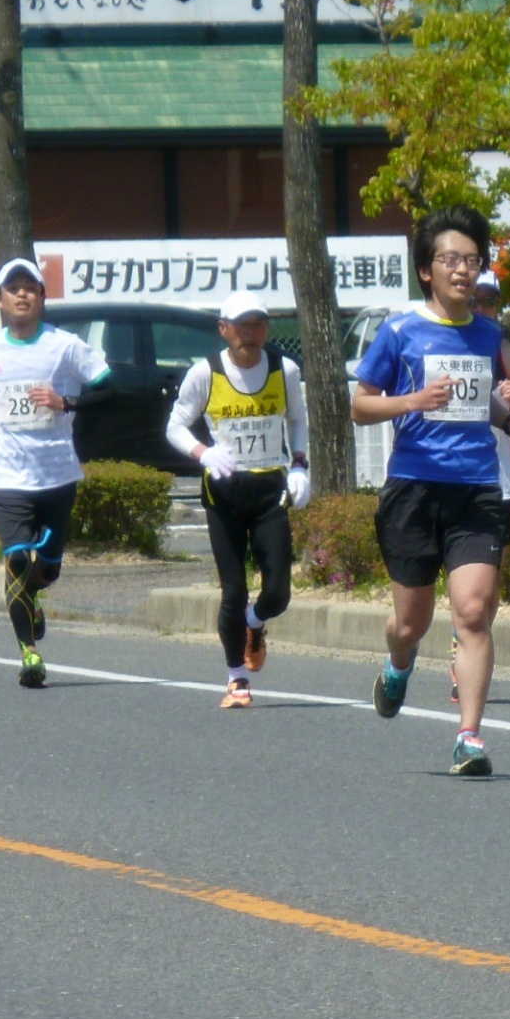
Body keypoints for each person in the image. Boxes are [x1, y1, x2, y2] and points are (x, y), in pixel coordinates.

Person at [352, 205, 510, 775]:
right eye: (449, 259)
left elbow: (484, 400)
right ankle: (398, 662)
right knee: (410, 623)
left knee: (475, 612)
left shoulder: (489, 336)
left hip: (476, 490)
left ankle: (469, 737)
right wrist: (412, 401)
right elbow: (360, 405)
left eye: (472, 260)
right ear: (426, 271)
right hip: (413, 488)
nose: (462, 270)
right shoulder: (400, 331)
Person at [0, 259, 113, 687]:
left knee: (48, 569)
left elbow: (110, 389)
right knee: (17, 558)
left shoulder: (65, 346)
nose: (22, 294)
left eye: (30, 288)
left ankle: (35, 595)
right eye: (12, 288)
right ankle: (29, 653)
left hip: (56, 473)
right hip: (5, 474)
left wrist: (66, 403)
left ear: (42, 298)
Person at [165, 291, 312, 709]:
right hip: (224, 493)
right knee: (233, 589)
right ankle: (237, 679)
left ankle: (255, 623)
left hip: (269, 490)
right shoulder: (205, 373)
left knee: (279, 591)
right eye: (242, 325)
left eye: (259, 324)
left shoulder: (284, 370)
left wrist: (299, 464)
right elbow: (175, 425)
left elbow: (297, 418)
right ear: (223, 329)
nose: (251, 333)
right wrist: (203, 453)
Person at [450, 269, 510, 702]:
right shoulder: (443, 346)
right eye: (476, 298)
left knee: (489, 587)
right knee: (459, 585)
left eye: (490, 300)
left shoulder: (508, 354)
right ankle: (463, 640)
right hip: (446, 480)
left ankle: (464, 643)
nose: (482, 307)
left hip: (495, 482)